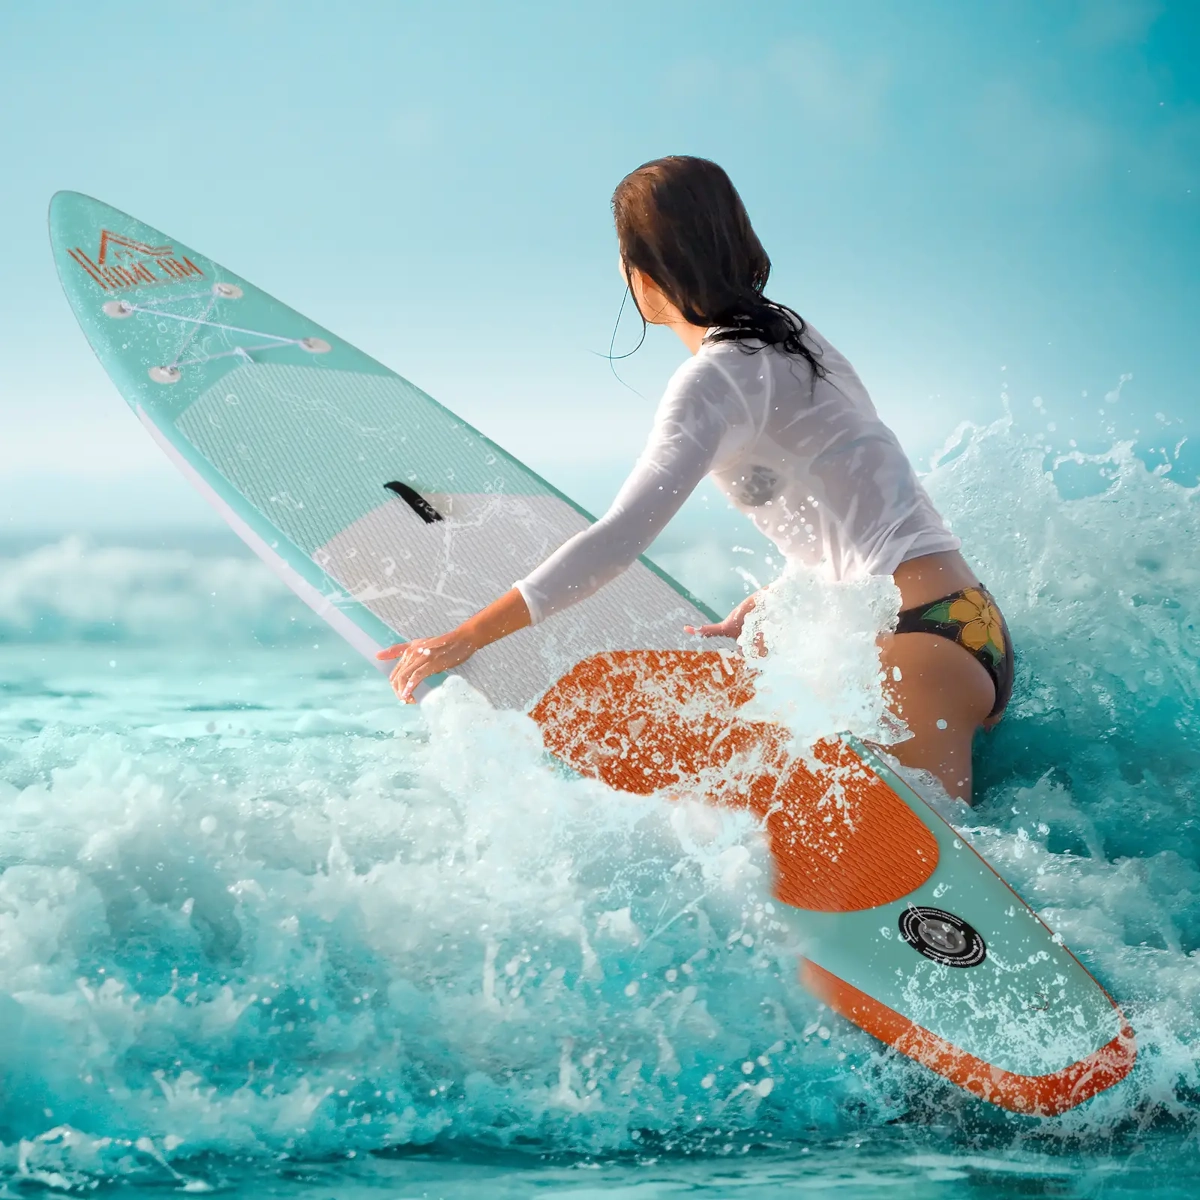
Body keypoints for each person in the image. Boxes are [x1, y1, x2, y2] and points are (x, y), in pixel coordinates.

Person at [379, 156, 1013, 804]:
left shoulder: (710, 381)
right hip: (969, 625)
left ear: (646, 280)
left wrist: (467, 635)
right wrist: (783, 595)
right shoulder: (794, 335)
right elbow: (859, 489)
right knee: (954, 876)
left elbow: (617, 541)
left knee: (933, 894)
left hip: (910, 654)